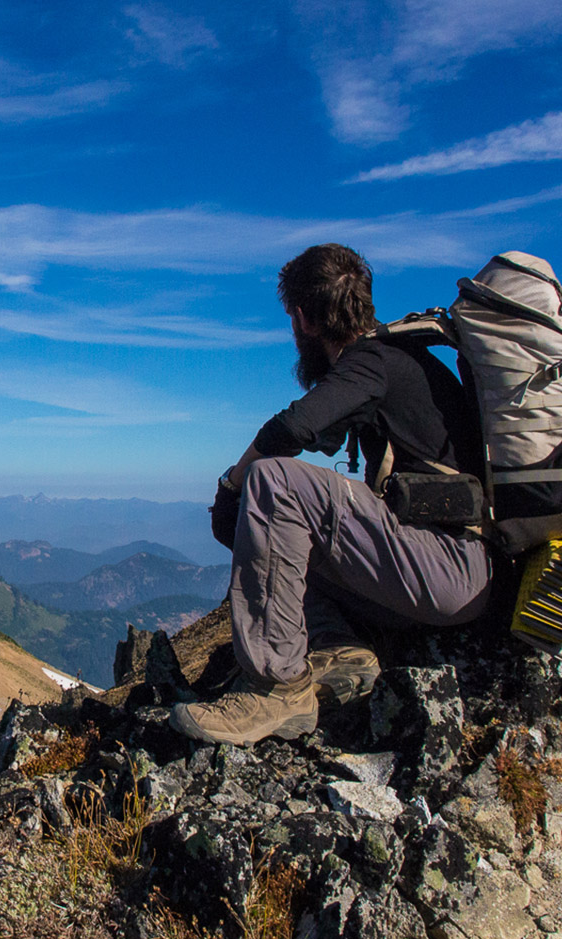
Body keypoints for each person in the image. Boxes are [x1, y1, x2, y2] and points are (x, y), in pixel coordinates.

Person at [171, 243, 495, 746]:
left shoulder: (373, 362)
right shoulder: (400, 361)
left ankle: (276, 688)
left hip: (452, 568)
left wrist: (234, 482)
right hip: (451, 573)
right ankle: (344, 650)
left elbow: (294, 427)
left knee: (274, 483)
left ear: (303, 318)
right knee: (292, 527)